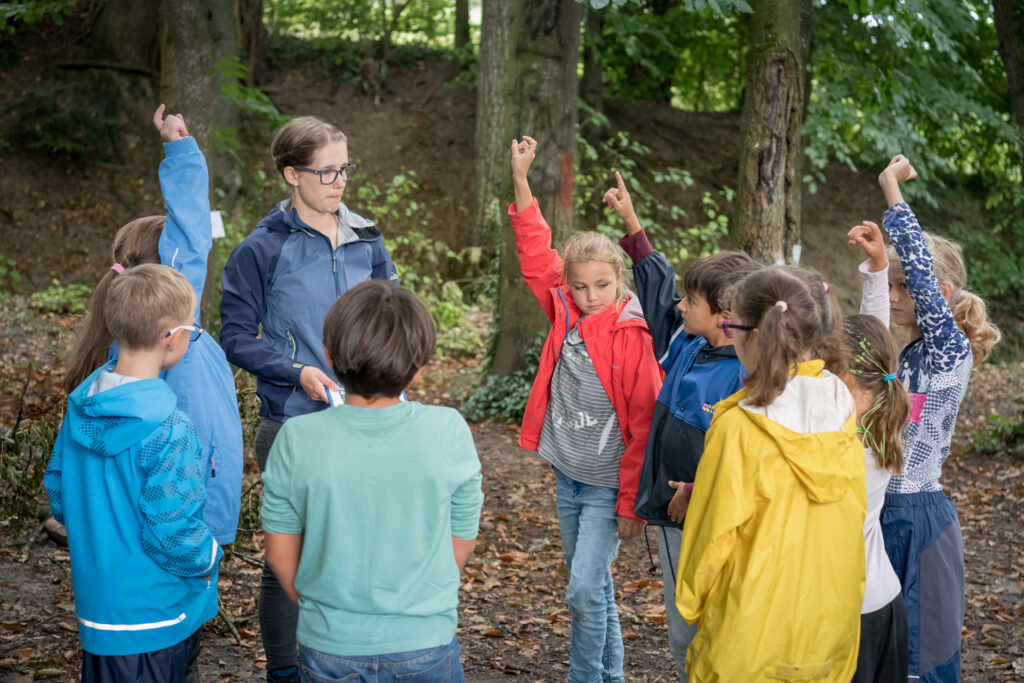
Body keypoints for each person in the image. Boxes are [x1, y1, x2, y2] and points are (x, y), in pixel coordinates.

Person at [219, 116, 398, 682]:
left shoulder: (368, 238)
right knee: (289, 558)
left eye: (344, 168)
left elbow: (392, 313)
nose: (339, 181)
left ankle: (347, 661)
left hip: (368, 418)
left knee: (356, 550)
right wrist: (296, 373)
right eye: (325, 172)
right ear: (292, 175)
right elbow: (234, 336)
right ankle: (286, 672)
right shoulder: (261, 249)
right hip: (293, 422)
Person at [261, 280, 483, 682]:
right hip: (425, 641)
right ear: (419, 365)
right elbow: (461, 540)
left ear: (327, 355)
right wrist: (419, 596)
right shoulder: (448, 429)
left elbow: (279, 553)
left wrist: (323, 610)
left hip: (329, 645)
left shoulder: (297, 438)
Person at [509, 136, 662, 683]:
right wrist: (522, 180)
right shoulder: (565, 310)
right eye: (579, 287)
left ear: (619, 280)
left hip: (606, 487)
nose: (591, 296)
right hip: (568, 475)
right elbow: (535, 251)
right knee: (592, 586)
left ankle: (583, 677)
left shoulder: (633, 336)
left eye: (602, 285)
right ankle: (611, 676)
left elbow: (644, 426)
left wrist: (630, 505)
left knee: (581, 589)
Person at [62, 105, 243, 548]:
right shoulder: (175, 332)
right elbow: (191, 238)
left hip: (138, 527)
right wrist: (181, 151)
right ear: (168, 274)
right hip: (188, 523)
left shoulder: (119, 352)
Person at [676, 265, 866, 682]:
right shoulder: (842, 403)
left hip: (747, 636)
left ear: (753, 336)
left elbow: (710, 535)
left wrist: (689, 601)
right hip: (827, 629)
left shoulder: (739, 427)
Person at [602, 171, 757, 681]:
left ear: (727, 317)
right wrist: (631, 223)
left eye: (693, 301)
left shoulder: (749, 375)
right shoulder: (686, 342)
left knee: (716, 624)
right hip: (673, 519)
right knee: (681, 629)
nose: (681, 306)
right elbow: (657, 291)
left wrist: (702, 489)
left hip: (714, 518)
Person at [45, 264, 221, 683]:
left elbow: (58, 489)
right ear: (172, 338)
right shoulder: (169, 427)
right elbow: (173, 532)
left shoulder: (81, 408)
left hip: (100, 612)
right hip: (157, 617)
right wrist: (210, 556)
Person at [874, 155, 1001, 683]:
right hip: (883, 512)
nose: (895, 294)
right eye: (893, 286)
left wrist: (890, 191)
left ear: (937, 296)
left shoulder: (950, 349)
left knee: (923, 660)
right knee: (884, 649)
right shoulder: (907, 357)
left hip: (922, 519)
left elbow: (922, 273)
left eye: (903, 286)